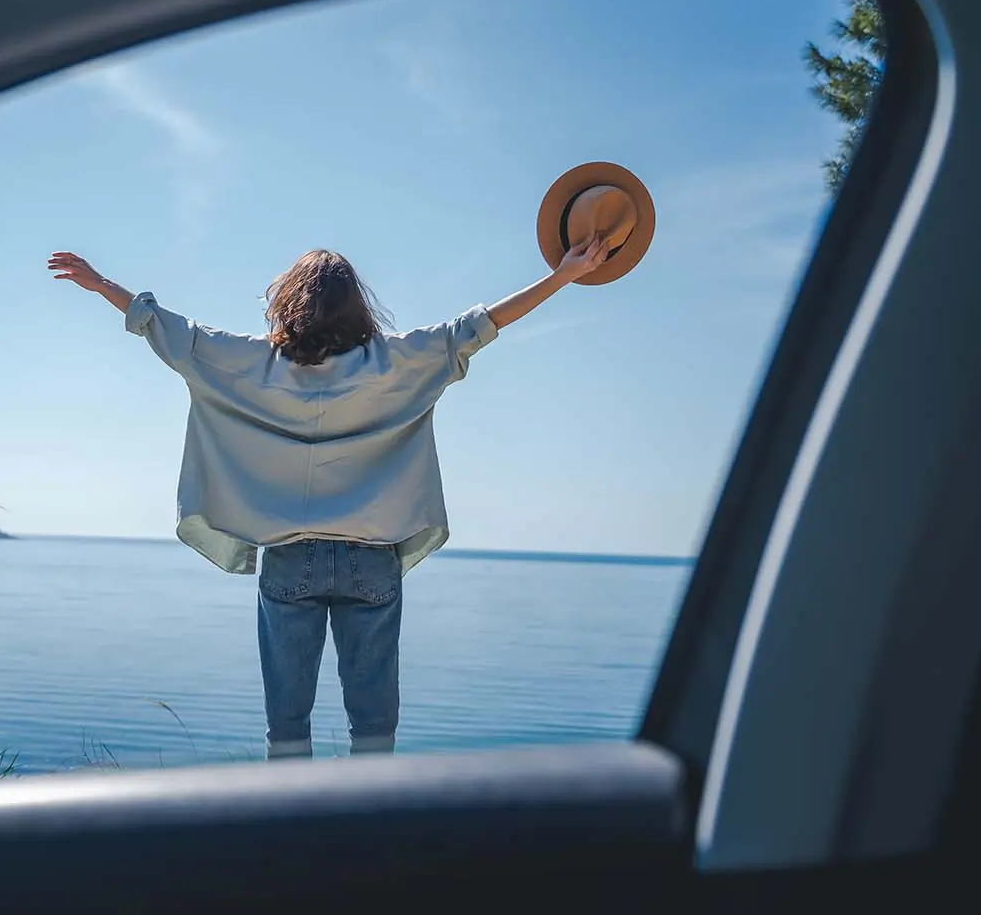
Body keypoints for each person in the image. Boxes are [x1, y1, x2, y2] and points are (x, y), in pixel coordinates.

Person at [47, 238, 612, 759]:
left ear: (287, 303)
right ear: (357, 307)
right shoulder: (395, 361)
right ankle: (367, 838)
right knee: (374, 729)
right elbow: (480, 326)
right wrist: (562, 277)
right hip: (372, 560)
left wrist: (101, 284)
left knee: (286, 729)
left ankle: (293, 842)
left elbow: (163, 328)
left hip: (290, 558)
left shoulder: (251, 362)